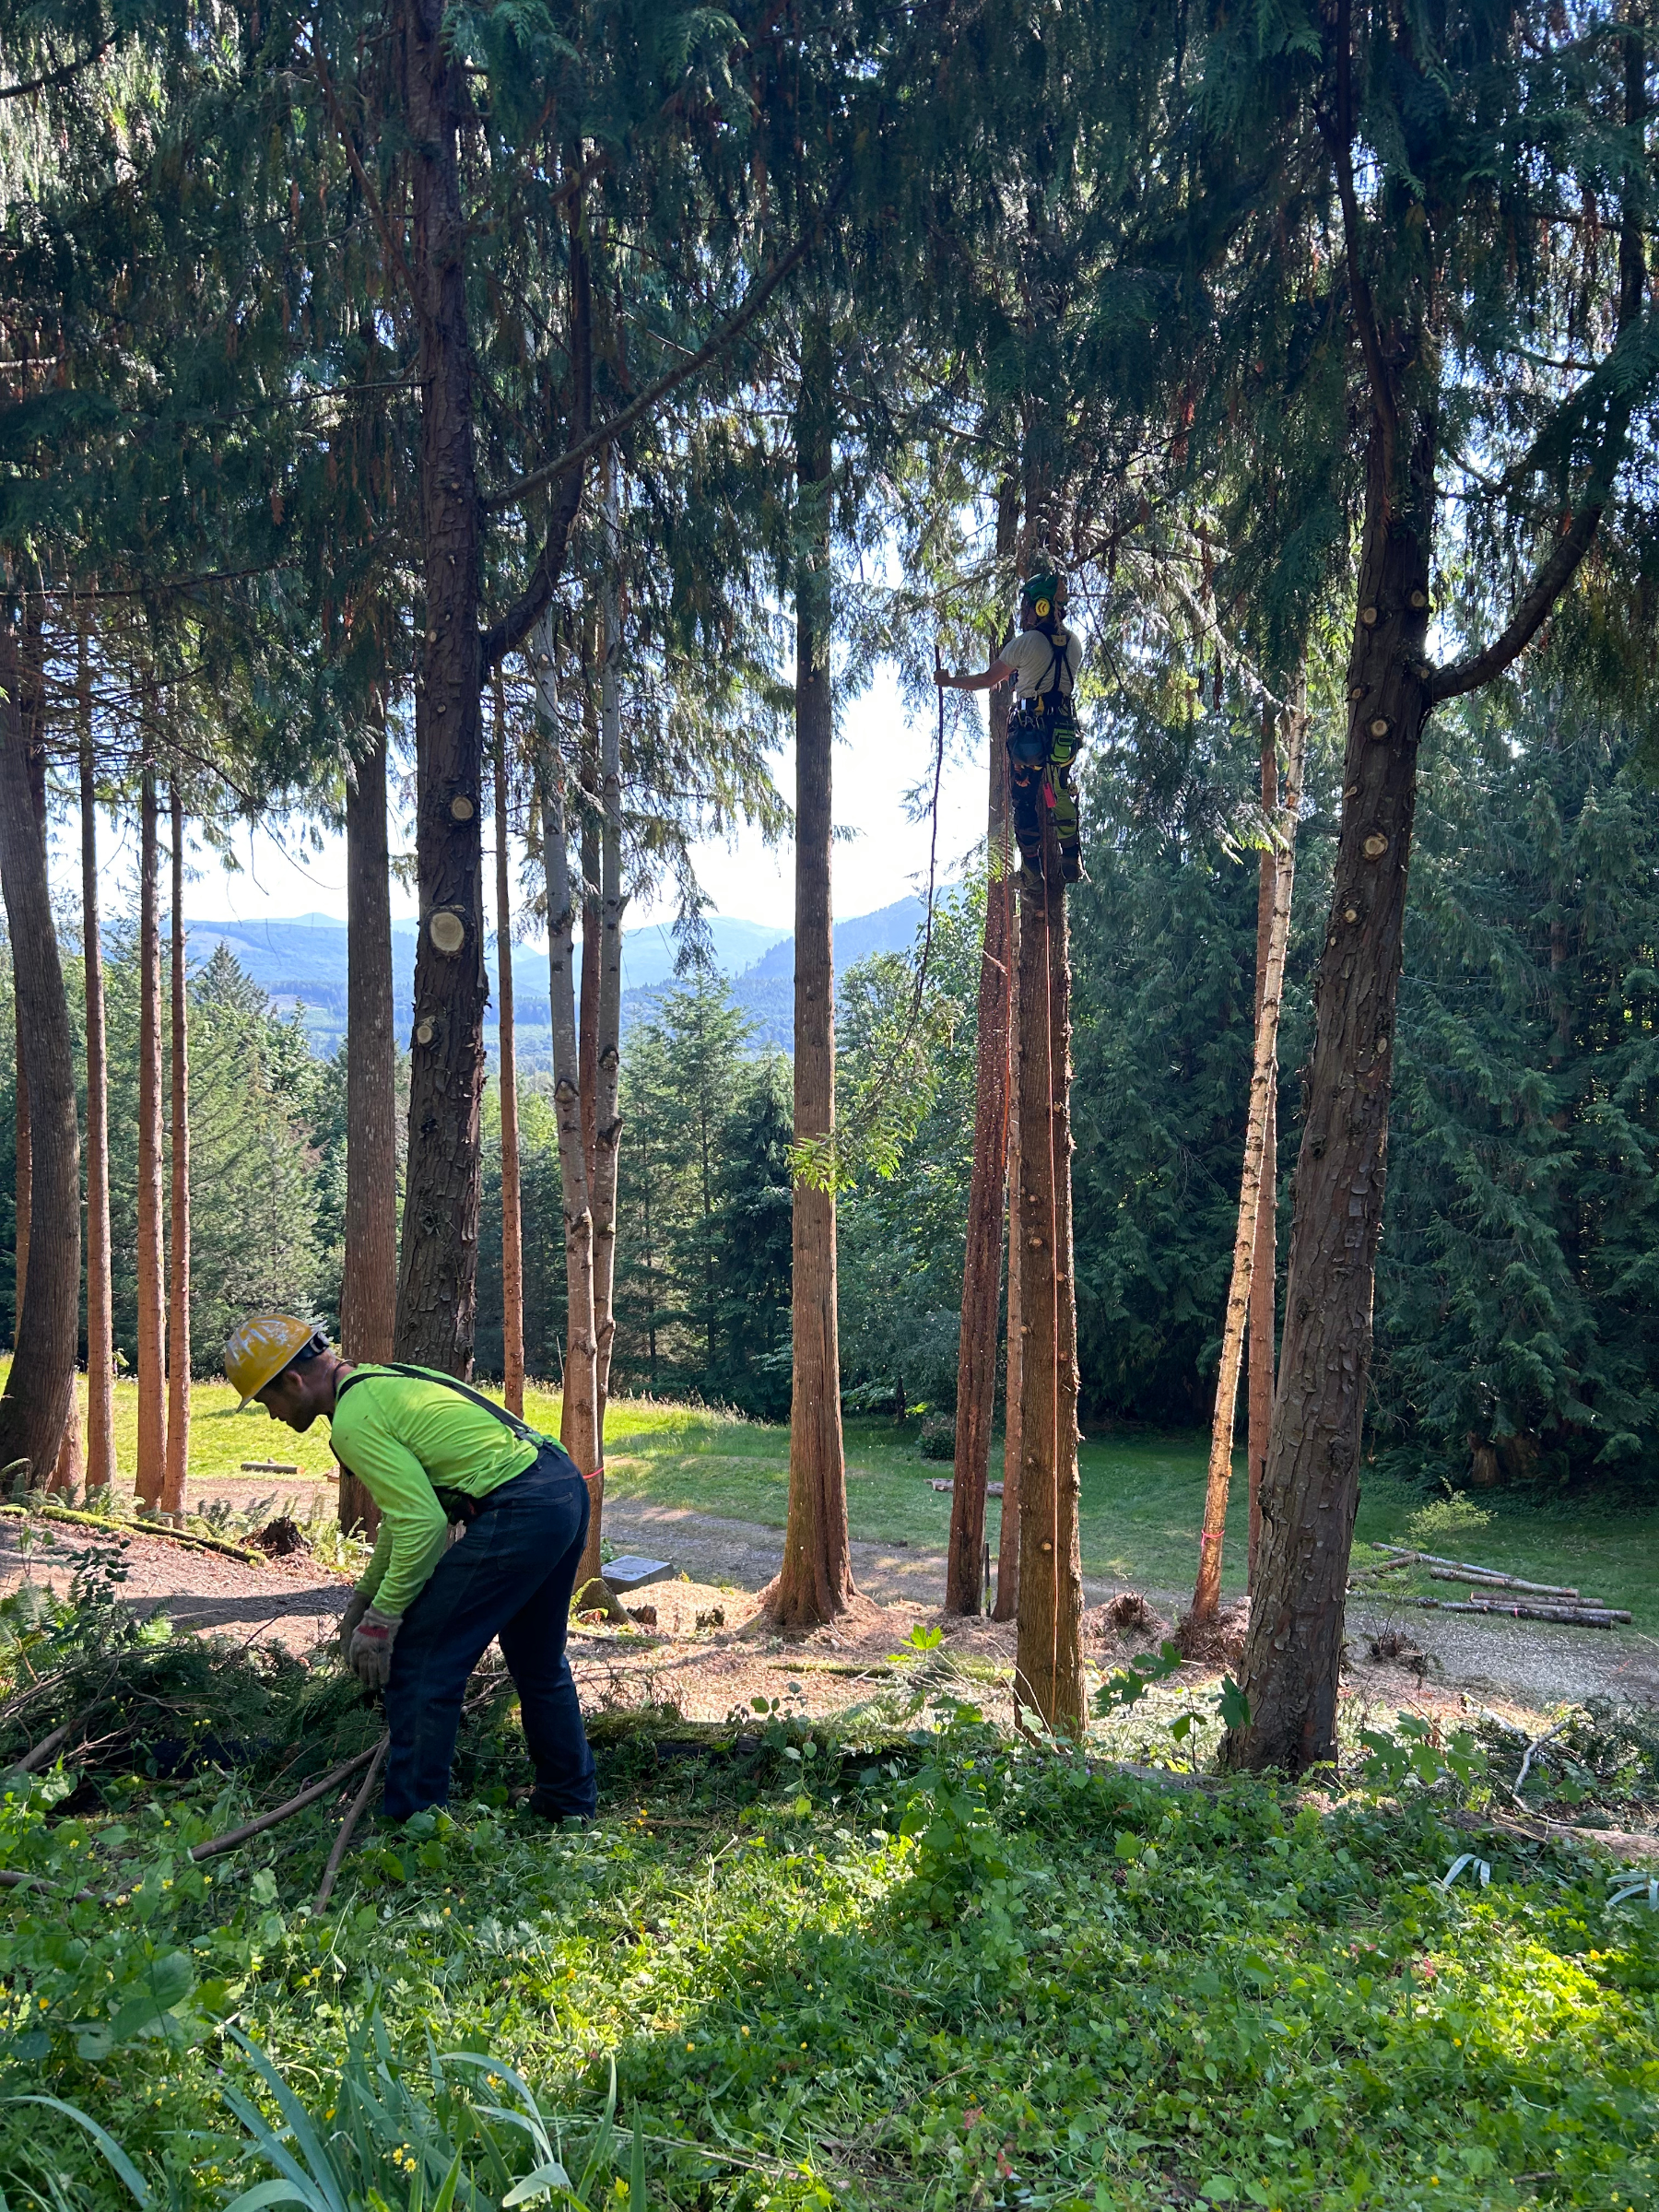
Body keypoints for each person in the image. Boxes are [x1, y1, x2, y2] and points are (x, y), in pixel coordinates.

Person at [224, 1313, 596, 1826]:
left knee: (421, 1660)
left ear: (293, 1380)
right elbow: (407, 1519)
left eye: (267, 1402)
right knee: (538, 1660)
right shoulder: (383, 1379)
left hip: (520, 1507)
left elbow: (422, 1526)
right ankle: (569, 1805)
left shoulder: (354, 1420)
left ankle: (414, 1827)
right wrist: (364, 1599)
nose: (271, 1416)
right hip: (561, 1488)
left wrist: (383, 1621)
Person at [937, 571, 1084, 882]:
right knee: (1059, 789)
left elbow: (986, 680)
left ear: (1042, 607)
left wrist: (949, 682)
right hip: (1063, 735)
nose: (1025, 613)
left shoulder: (1026, 643)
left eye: (1029, 605)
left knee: (1025, 799)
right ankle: (1071, 857)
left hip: (1032, 737)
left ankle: (1032, 871)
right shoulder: (1075, 644)